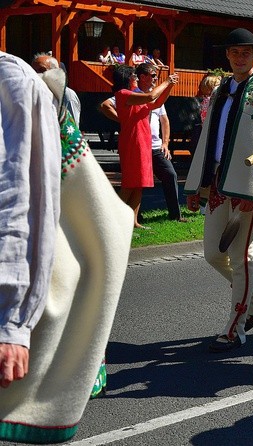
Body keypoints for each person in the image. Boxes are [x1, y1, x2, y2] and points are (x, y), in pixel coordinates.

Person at [0, 51, 132, 443]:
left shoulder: (18, 83)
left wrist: (12, 323)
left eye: (46, 68)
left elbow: (23, 200)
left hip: (65, 200)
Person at [184, 28, 253, 352]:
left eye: (246, 52)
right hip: (219, 182)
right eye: (234, 51)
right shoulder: (220, 93)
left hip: (247, 189)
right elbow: (207, 140)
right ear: (227, 55)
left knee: (241, 255)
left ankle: (235, 327)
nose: (240, 57)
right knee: (213, 254)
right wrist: (195, 184)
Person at [99, 63, 186, 222]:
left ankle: (134, 221)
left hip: (144, 142)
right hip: (134, 142)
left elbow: (157, 103)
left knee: (139, 183)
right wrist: (166, 81)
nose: (136, 79)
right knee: (130, 184)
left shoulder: (134, 96)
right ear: (127, 79)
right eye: (134, 77)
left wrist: (170, 85)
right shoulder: (124, 93)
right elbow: (151, 97)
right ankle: (112, 219)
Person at [31, 52, 81, 126]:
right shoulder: (33, 93)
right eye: (33, 71)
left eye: (42, 70)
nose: (36, 74)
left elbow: (72, 128)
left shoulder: (67, 95)